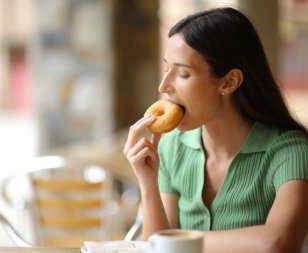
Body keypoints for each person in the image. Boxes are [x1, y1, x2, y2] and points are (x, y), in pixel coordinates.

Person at [124, 7, 308, 253]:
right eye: (166, 68)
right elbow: (155, 247)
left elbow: (277, 243)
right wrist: (148, 183)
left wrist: (176, 240)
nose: (164, 86)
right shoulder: (172, 147)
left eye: (183, 73)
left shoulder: (292, 152)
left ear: (228, 81)